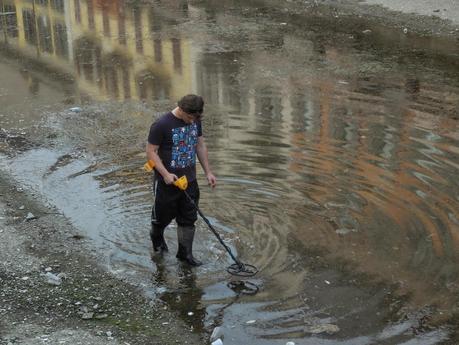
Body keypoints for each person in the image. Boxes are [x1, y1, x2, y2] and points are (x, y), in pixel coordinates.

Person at [146, 94, 217, 266]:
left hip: (190, 181)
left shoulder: (195, 120)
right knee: (161, 218)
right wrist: (165, 174)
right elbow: (151, 152)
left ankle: (185, 255)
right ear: (182, 110)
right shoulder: (161, 124)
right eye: (190, 117)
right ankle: (158, 242)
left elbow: (200, 145)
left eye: (196, 118)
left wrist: (208, 172)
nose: (193, 122)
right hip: (167, 183)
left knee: (188, 218)